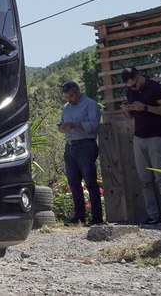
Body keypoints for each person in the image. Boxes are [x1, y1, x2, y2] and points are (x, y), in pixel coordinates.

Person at [120, 66, 161, 225]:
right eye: (129, 86)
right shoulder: (131, 91)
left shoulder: (156, 87)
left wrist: (146, 107)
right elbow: (130, 116)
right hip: (139, 138)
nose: (133, 88)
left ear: (139, 76)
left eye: (134, 84)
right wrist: (127, 109)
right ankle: (153, 216)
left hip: (156, 137)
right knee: (145, 180)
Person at [58, 80, 104, 226]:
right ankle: (79, 216)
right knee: (74, 183)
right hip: (70, 147)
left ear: (77, 92)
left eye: (71, 96)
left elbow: (94, 125)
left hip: (86, 145)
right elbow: (61, 124)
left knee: (90, 182)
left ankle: (97, 217)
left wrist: (75, 125)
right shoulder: (66, 107)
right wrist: (62, 128)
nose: (69, 99)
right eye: (66, 97)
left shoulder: (90, 104)